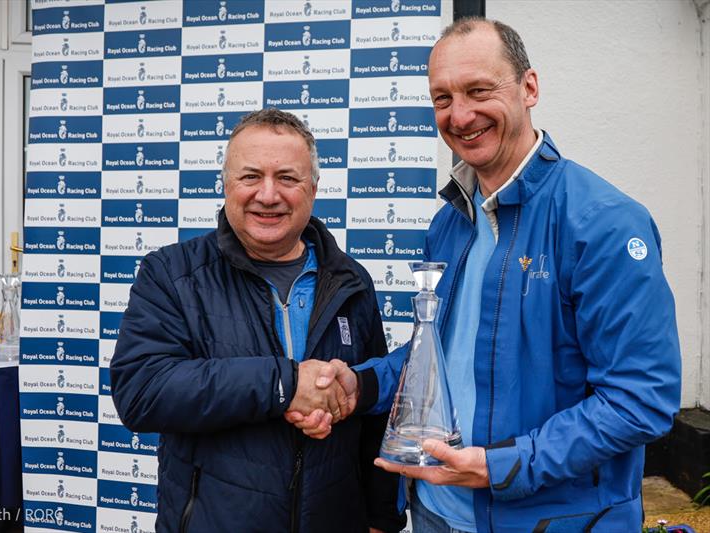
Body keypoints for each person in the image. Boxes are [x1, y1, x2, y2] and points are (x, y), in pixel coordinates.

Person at [286, 17, 681, 532]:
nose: (461, 115)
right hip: (434, 515)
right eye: (443, 98)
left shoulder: (601, 222)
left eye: (478, 90)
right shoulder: (450, 222)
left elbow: (640, 400)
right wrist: (359, 385)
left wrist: (503, 466)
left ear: (529, 87)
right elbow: (444, 358)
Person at [111, 108, 405, 533]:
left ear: (313, 188)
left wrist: (381, 519)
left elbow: (375, 408)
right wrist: (283, 385)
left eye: (287, 178)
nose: (268, 195)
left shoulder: (350, 280)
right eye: (250, 177)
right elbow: (141, 391)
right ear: (226, 185)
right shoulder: (171, 274)